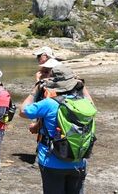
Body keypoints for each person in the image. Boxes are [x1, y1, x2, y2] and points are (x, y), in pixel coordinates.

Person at [20, 65, 90, 194]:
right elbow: (92, 105)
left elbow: (23, 111)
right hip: (78, 160)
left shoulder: (49, 103)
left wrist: (35, 89)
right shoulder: (84, 103)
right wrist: (81, 85)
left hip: (51, 161)